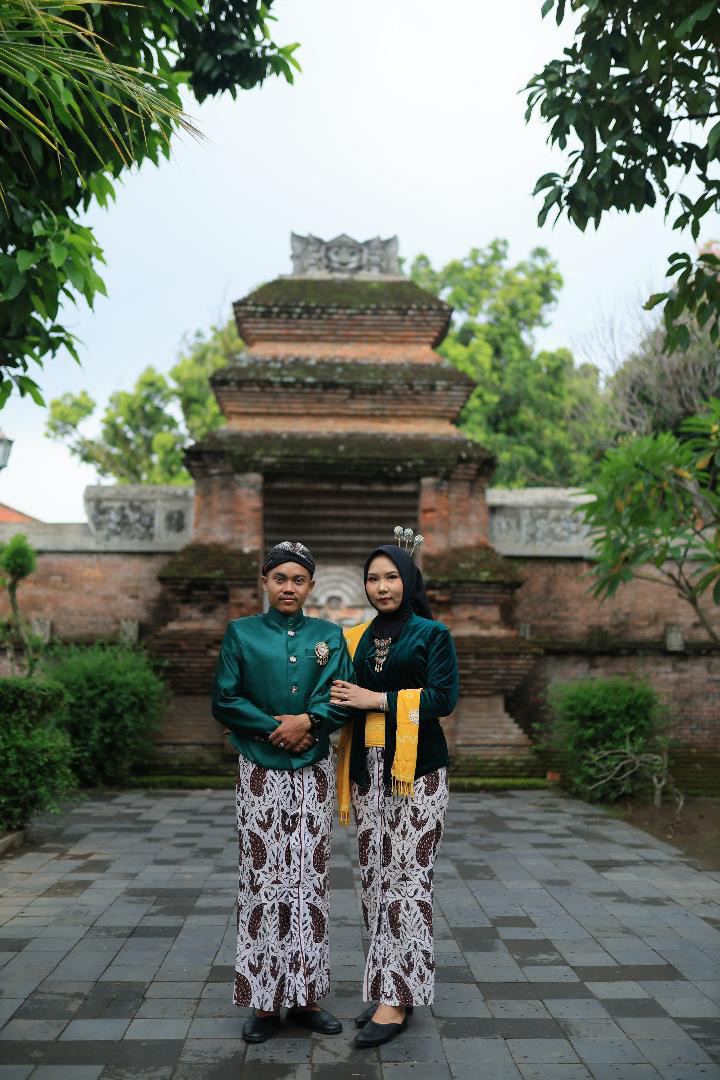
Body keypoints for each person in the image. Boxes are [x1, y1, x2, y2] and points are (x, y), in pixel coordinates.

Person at [212, 541, 355, 1044]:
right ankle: (263, 1001)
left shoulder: (328, 636)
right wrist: (277, 728)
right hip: (259, 767)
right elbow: (225, 699)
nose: (288, 587)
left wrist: (308, 723)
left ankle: (307, 997)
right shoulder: (242, 633)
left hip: (312, 769)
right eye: (280, 578)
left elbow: (341, 696)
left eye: (298, 579)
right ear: (265, 582)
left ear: (311, 585)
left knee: (307, 881)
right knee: (262, 879)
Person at [331, 530, 459, 1049]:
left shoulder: (433, 634)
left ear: (409, 581)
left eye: (391, 577)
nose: (381, 587)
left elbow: (443, 698)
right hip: (366, 771)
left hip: (417, 771)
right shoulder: (354, 638)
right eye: (373, 578)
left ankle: (398, 998)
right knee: (376, 881)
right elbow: (338, 697)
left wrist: (377, 699)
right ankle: (386, 983)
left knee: (408, 880)